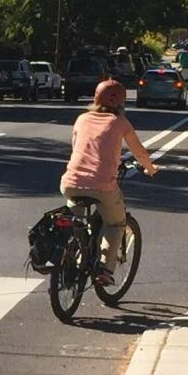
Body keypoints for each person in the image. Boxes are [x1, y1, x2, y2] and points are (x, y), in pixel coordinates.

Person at [60, 79, 159, 281]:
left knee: (74, 221)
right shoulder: (119, 122)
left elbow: (76, 146)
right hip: (102, 185)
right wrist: (150, 168)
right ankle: (104, 270)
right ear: (120, 102)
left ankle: (71, 254)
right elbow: (138, 151)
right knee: (115, 223)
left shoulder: (82, 119)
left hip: (71, 182)